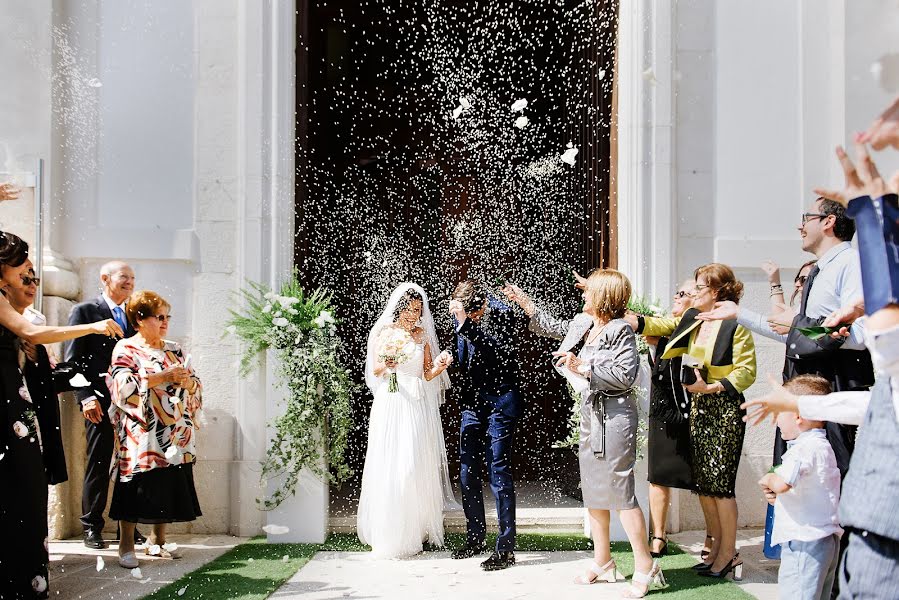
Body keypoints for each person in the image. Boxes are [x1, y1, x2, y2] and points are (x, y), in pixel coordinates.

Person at [513, 269, 664, 597]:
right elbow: (553, 327)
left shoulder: (621, 329)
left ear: (604, 297)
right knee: (594, 490)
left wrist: (582, 367)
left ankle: (645, 565)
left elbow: (625, 376)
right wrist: (525, 302)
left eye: (589, 291)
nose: (583, 295)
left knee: (621, 492)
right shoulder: (584, 324)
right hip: (591, 415)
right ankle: (603, 562)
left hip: (616, 416)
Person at [0, 231, 124, 599]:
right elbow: (31, 332)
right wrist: (93, 326)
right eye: (23, 265)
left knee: (26, 488)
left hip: (15, 405)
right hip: (4, 407)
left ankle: (25, 580)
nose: (29, 274)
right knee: (17, 485)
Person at [627, 263, 756, 579]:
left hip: (724, 410)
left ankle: (728, 554)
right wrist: (635, 320)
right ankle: (715, 551)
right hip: (699, 410)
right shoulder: (692, 321)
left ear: (716, 292)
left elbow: (746, 372)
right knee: (706, 486)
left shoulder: (735, 326)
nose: (694, 292)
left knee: (721, 487)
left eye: (699, 287)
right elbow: (663, 324)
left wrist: (711, 386)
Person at [358, 283, 457, 558]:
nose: (416, 315)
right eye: (413, 310)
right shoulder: (383, 333)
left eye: (420, 310)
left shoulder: (422, 335)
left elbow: (426, 374)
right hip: (391, 402)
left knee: (411, 465)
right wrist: (388, 363)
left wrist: (440, 366)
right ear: (401, 308)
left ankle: (412, 532)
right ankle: (389, 535)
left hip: (414, 404)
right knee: (389, 465)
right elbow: (375, 370)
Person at [106, 290, 202, 569]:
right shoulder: (126, 348)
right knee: (136, 485)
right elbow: (122, 388)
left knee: (167, 481)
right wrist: (163, 377)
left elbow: (195, 383)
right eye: (158, 317)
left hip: (174, 431)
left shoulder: (174, 348)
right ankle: (125, 544)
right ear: (138, 319)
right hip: (141, 432)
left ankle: (157, 541)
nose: (164, 322)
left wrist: (188, 382)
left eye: (167, 316)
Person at [64, 261, 143, 550]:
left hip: (130, 406)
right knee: (98, 462)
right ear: (105, 278)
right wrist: (85, 396)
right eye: (125, 276)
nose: (130, 282)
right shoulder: (85, 312)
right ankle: (91, 527)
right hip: (98, 402)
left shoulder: (134, 316)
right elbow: (73, 361)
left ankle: (127, 527)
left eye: (133, 278)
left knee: (129, 465)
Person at [448, 280, 523, 571]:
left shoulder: (502, 314)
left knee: (498, 472)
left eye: (471, 312)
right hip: (472, 406)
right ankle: (475, 537)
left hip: (500, 403)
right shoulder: (463, 322)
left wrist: (465, 323)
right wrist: (449, 358)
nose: (468, 317)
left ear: (480, 305)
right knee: (467, 472)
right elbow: (467, 357)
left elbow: (497, 355)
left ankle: (505, 549)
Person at [759, 375, 842, 600]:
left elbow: (782, 483)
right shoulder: (822, 446)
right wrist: (779, 498)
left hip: (805, 543)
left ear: (798, 417)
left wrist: (768, 479)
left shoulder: (804, 449)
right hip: (825, 540)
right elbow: (812, 491)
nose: (775, 421)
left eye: (779, 414)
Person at [644, 280, 702, 559]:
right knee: (657, 476)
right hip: (661, 407)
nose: (675, 296)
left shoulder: (698, 327)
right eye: (676, 291)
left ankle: (713, 538)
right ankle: (659, 536)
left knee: (701, 477)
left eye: (683, 293)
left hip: (690, 405)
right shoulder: (662, 327)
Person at [7, 265, 68, 486]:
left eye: (35, 280)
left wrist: (37, 358)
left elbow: (48, 365)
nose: (32, 286)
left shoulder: (37, 320)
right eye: (25, 279)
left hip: (33, 403)